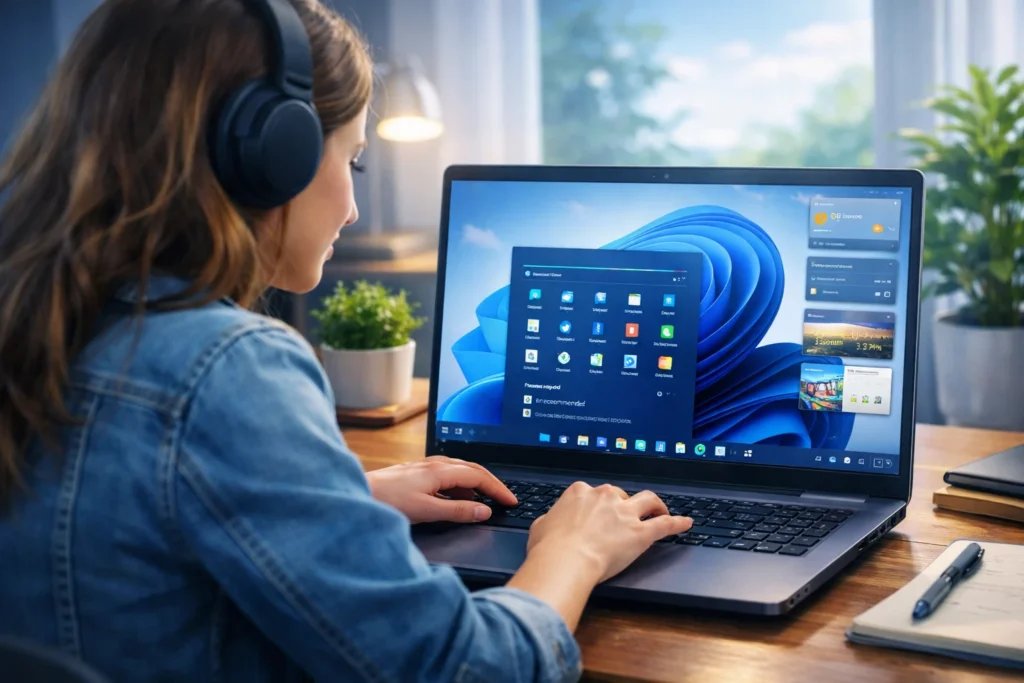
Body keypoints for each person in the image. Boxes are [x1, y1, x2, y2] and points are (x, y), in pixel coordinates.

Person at [0, 1, 693, 681]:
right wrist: (573, 551)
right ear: (273, 155)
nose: (355, 207)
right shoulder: (224, 370)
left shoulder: (35, 319)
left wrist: (334, 495)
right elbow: (463, 667)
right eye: (353, 161)